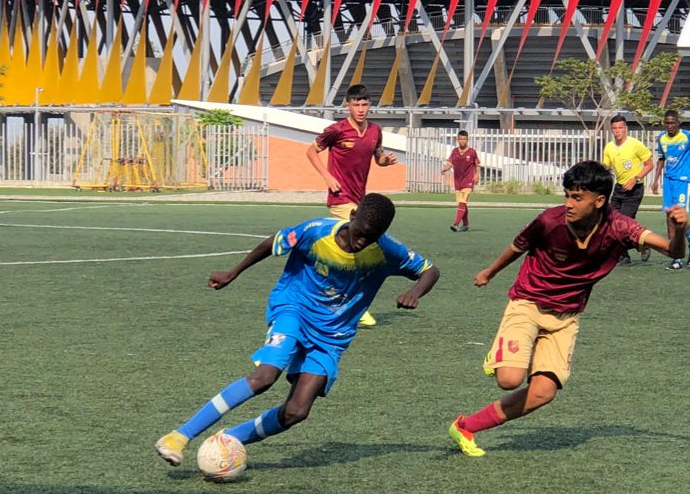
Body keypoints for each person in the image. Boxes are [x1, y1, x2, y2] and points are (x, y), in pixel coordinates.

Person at [155, 193, 439, 467]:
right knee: (264, 377)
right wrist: (234, 272)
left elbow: (430, 270)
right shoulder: (316, 232)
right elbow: (272, 243)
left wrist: (415, 291)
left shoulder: (386, 251)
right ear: (352, 216)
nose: (364, 241)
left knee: (296, 411)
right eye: (361, 231)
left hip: (332, 335)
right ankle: (179, 436)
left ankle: (229, 439)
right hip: (294, 309)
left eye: (373, 236)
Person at [448, 161, 686, 456]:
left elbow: (674, 252)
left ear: (599, 201)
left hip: (566, 317)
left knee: (542, 393)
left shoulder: (618, 226)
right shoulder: (549, 221)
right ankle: (501, 353)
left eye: (577, 197)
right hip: (528, 303)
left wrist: (678, 230)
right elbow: (517, 247)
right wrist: (490, 272)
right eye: (567, 195)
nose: (568, 204)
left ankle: (465, 426)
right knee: (509, 379)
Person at [306, 85, 399, 326]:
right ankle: (354, 307)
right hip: (340, 198)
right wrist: (328, 177)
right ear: (347, 105)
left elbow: (377, 157)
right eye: (356, 104)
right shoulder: (336, 130)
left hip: (361, 200)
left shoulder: (375, 131)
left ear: (370, 105)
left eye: (364, 104)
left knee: (349, 250)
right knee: (363, 247)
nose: (360, 109)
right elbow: (311, 151)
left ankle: (325, 298)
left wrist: (385, 161)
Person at [647, 109, 690, 269]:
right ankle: (676, 258)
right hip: (668, 181)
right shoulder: (661, 138)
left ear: (678, 123)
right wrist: (655, 180)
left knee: (679, 218)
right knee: (669, 218)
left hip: (683, 181)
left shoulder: (688, 137)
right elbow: (661, 158)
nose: (669, 126)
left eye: (672, 123)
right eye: (666, 123)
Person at [600, 114, 655, 264]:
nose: (617, 131)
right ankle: (625, 254)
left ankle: (641, 244)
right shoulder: (609, 147)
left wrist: (635, 178)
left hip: (634, 189)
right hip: (619, 189)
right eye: (614, 128)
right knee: (610, 222)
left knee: (622, 224)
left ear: (626, 129)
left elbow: (650, 164)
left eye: (620, 128)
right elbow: (606, 168)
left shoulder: (635, 144)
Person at [441, 131, 479, 231]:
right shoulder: (454, 151)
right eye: (460, 139)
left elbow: (477, 164)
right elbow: (450, 163)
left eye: (464, 139)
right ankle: (465, 224)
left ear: (467, 140)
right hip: (458, 181)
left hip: (468, 180)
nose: (462, 141)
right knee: (462, 203)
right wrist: (445, 168)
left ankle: (455, 224)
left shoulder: (472, 152)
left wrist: (477, 175)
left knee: (462, 202)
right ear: (457, 140)